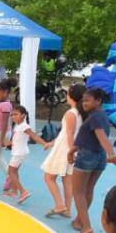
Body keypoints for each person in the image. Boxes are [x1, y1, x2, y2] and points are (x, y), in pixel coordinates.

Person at [68, 87, 116, 233]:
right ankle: (79, 221)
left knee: (78, 192)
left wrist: (112, 154)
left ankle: (86, 228)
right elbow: (87, 139)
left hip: (87, 156)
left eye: (88, 100)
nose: (84, 103)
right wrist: (71, 151)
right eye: (83, 100)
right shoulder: (102, 116)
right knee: (88, 189)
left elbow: (101, 136)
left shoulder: (95, 118)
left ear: (98, 101)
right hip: (99, 157)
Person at [40, 83, 83, 218]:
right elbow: (67, 133)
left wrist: (70, 152)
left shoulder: (71, 113)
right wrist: (53, 143)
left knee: (49, 177)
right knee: (67, 180)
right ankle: (68, 209)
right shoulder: (82, 113)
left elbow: (69, 134)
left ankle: (60, 205)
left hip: (65, 149)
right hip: (72, 147)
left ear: (71, 96)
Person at [3, 105, 51, 204]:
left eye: (16, 114)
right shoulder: (18, 126)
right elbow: (17, 139)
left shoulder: (24, 126)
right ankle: (14, 191)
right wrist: (8, 143)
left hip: (19, 153)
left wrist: (44, 143)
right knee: (14, 171)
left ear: (23, 115)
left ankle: (23, 191)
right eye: (12, 115)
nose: (13, 116)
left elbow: (34, 136)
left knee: (11, 172)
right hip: (19, 152)